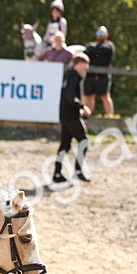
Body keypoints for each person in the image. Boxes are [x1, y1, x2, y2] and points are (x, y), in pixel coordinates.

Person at [54, 52, 92, 186]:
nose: (86, 67)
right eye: (86, 64)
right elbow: (70, 95)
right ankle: (78, 171)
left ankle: (57, 174)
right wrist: (81, 106)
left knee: (65, 145)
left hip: (64, 115)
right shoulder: (74, 76)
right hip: (71, 116)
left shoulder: (67, 75)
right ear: (80, 63)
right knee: (84, 141)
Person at [83, 25, 115, 116]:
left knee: (105, 96)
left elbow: (104, 50)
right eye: (99, 32)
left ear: (107, 34)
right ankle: (86, 116)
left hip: (103, 75)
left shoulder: (109, 45)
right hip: (90, 75)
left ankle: (110, 116)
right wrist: (94, 51)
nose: (100, 35)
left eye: (102, 33)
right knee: (89, 96)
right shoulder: (91, 45)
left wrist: (93, 51)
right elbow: (86, 53)